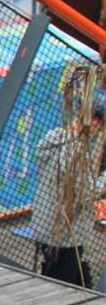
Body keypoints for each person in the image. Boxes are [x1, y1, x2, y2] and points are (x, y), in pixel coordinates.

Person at [32, 78, 106, 288]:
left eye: (98, 123)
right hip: (60, 234)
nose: (95, 126)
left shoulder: (56, 138)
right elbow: (85, 190)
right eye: (93, 120)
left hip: (60, 231)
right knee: (59, 285)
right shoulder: (72, 147)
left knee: (82, 284)